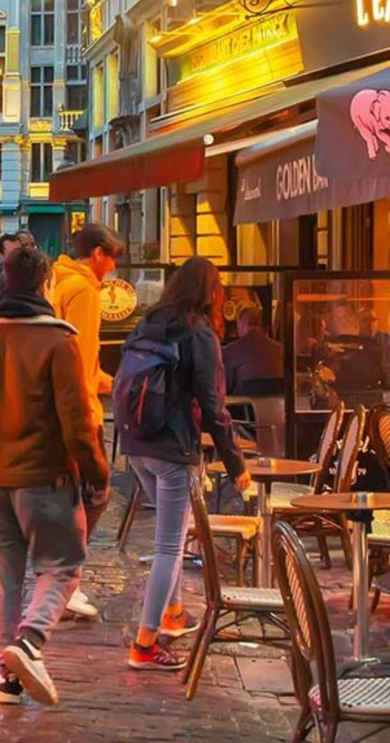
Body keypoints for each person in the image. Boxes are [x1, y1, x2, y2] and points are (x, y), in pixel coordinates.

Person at [0, 245, 109, 707]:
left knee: (3, 577)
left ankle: (7, 678)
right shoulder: (58, 340)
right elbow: (77, 422)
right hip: (44, 478)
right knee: (62, 566)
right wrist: (96, 473)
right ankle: (29, 642)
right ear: (45, 284)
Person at [117, 257, 249, 672]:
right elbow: (213, 406)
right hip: (173, 451)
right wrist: (236, 463)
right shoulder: (199, 334)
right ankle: (145, 643)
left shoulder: (149, 321)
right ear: (211, 292)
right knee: (169, 548)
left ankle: (173, 612)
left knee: (171, 536)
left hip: (136, 444)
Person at [50, 221, 125, 621]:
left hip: (65, 406)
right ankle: (64, 583)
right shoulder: (83, 290)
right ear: (97, 253)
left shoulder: (60, 282)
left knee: (74, 498)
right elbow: (80, 355)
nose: (112, 267)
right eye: (111, 257)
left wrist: (109, 382)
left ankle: (60, 580)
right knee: (92, 495)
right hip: (79, 411)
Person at [222, 304, 284, 397]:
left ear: (241, 324)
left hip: (242, 410)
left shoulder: (230, 351)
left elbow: (225, 387)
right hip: (275, 409)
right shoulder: (280, 349)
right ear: (259, 324)